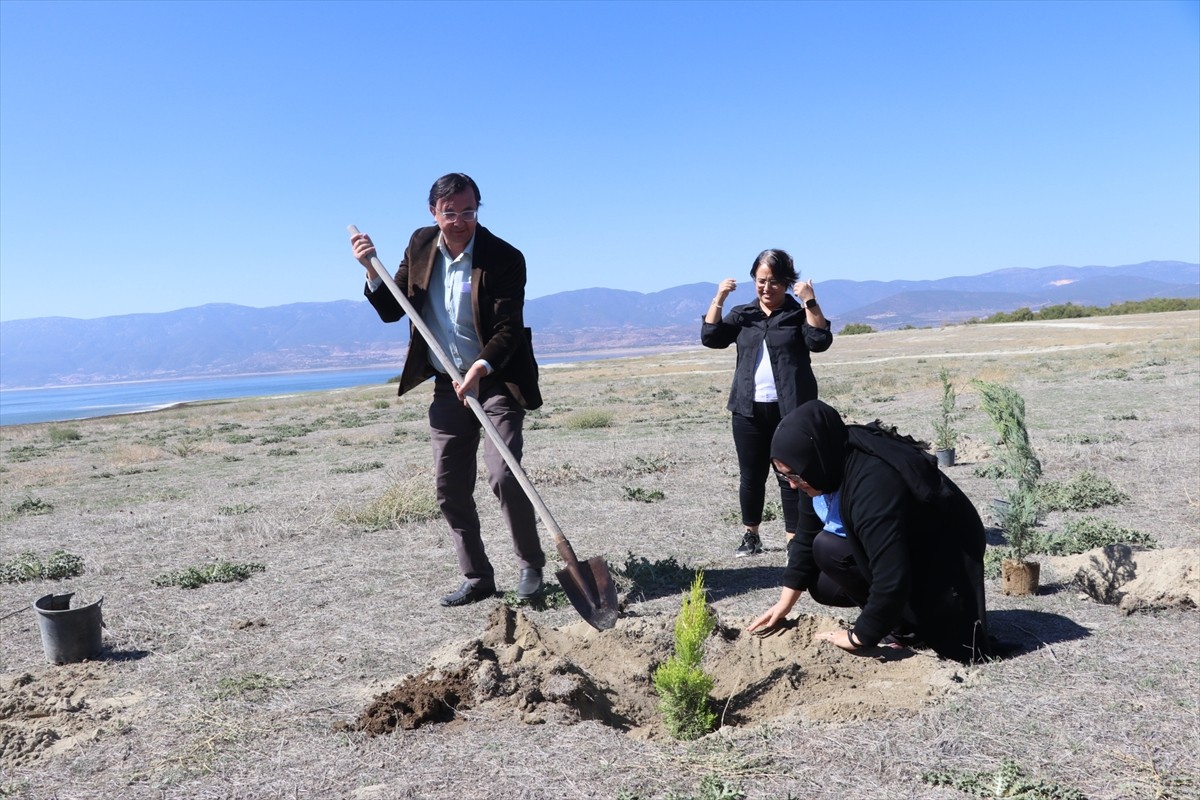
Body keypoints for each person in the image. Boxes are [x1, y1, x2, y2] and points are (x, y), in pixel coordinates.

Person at [349, 173, 545, 608]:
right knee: (449, 486)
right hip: (446, 383)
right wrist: (370, 269)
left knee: (504, 471)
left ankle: (531, 567)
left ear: (478, 209)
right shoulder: (420, 245)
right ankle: (477, 577)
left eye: (469, 211)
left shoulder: (504, 257)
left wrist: (479, 367)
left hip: (495, 378)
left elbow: (509, 328)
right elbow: (391, 310)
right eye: (450, 212)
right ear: (433, 212)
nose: (460, 221)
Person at [747, 399, 991, 664]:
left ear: (812, 458)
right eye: (785, 477)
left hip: (941, 559)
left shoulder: (873, 482)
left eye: (794, 476)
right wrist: (785, 604)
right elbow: (805, 538)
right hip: (903, 552)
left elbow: (892, 574)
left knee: (828, 548)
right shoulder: (821, 464)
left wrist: (859, 636)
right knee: (820, 580)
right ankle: (899, 618)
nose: (793, 486)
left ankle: (906, 627)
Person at [701, 249, 833, 557]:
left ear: (787, 282)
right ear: (753, 280)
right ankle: (752, 536)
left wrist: (809, 300)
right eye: (761, 281)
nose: (766, 287)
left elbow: (820, 341)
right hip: (747, 409)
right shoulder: (744, 314)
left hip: (791, 410)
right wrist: (719, 297)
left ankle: (793, 541)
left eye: (774, 281)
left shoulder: (797, 313)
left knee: (790, 476)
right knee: (751, 476)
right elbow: (711, 336)